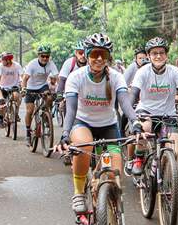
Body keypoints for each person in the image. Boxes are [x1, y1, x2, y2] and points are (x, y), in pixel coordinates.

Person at [57, 33, 142, 214]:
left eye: (103, 54)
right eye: (95, 53)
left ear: (108, 57)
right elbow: (71, 109)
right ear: (87, 55)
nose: (99, 58)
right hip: (82, 122)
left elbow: (125, 102)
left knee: (114, 177)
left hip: (109, 126)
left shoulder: (116, 77)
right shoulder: (76, 77)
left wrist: (135, 122)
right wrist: (65, 133)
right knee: (82, 147)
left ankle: (103, 197)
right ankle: (79, 193)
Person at [128, 37, 178, 175]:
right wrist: (130, 114)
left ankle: (162, 172)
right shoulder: (143, 71)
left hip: (168, 114)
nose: (158, 56)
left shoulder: (174, 71)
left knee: (174, 150)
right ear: (149, 55)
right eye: (154, 53)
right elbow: (134, 94)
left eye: (161, 52)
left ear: (166, 55)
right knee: (144, 129)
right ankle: (139, 158)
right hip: (146, 111)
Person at [21, 45, 58, 144]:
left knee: (49, 98)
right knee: (30, 110)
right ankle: (28, 132)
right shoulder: (32, 64)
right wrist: (24, 89)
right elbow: (25, 79)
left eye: (47, 56)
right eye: (42, 56)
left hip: (43, 86)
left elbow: (56, 77)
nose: (45, 58)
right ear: (39, 56)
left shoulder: (51, 64)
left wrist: (59, 89)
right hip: (30, 87)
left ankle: (46, 115)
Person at [0, 52, 23, 119]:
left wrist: (22, 85)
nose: (2, 61)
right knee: (2, 103)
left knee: (17, 97)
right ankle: (1, 118)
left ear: (8, 60)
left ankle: (16, 113)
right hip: (3, 87)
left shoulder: (17, 65)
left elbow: (21, 76)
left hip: (14, 86)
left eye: (3, 60)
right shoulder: (0, 66)